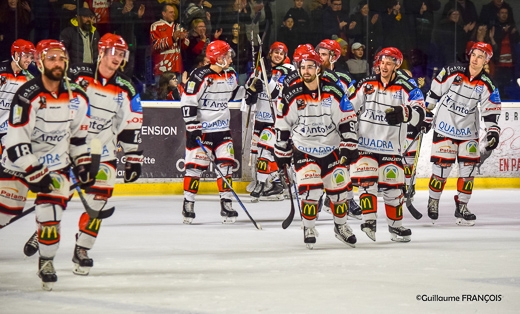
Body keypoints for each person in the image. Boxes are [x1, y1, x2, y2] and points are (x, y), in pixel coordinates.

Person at [23, 34, 144, 276]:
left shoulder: (127, 87)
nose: (117, 58)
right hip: (72, 150)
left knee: (98, 203)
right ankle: (43, 231)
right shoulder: (77, 74)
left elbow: (132, 123)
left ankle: (82, 249)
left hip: (103, 153)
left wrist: (132, 158)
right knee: (58, 198)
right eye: (114, 53)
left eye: (122, 54)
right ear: (101, 53)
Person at [0, 39, 94, 290]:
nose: (57, 62)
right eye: (51, 58)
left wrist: (84, 165)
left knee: (50, 216)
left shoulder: (78, 97)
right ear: (40, 62)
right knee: (5, 212)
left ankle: (46, 261)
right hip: (18, 164)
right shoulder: (27, 94)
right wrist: (34, 170)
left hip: (55, 166)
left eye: (61, 58)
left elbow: (78, 138)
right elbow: (16, 142)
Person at [274, 45, 358, 249]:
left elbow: (347, 118)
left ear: (319, 68)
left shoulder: (334, 89)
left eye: (311, 67)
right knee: (310, 192)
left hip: (331, 148)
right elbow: (283, 124)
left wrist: (349, 143)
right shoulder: (290, 91)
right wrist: (281, 151)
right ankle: (309, 227)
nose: (306, 71)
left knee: (339, 193)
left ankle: (341, 226)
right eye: (303, 67)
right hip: (305, 148)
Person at [349, 47, 426, 243]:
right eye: (382, 62)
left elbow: (421, 110)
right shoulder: (365, 84)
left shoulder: (406, 87)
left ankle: (395, 227)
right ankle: (368, 221)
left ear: (397, 65)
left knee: (393, 189)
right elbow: (348, 108)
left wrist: (406, 113)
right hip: (365, 145)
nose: (384, 66)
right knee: (367, 183)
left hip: (391, 146)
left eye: (389, 63)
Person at [181, 40, 260, 224]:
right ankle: (188, 203)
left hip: (222, 130)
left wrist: (248, 91)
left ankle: (226, 203)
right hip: (202, 131)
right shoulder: (199, 76)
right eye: (227, 55)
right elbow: (188, 101)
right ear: (218, 57)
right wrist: (192, 127)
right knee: (195, 168)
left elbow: (232, 93)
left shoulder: (230, 75)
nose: (231, 58)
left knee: (225, 167)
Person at [424, 42, 501, 226]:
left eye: (480, 57)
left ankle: (462, 206)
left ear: (486, 61)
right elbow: (435, 91)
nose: (475, 59)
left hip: (468, 132)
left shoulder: (487, 84)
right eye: (474, 55)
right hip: (444, 126)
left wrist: (493, 131)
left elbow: (491, 111)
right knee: (441, 169)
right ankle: (433, 200)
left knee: (468, 172)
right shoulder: (453, 71)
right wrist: (427, 113)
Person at [315, 38, 362, 220]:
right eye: (319, 53)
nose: (319, 57)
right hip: (316, 129)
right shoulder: (310, 75)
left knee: (343, 163)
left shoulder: (345, 81)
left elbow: (354, 105)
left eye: (324, 54)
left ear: (334, 57)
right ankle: (318, 198)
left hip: (337, 130)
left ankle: (347, 199)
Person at [248, 42, 293, 202]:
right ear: (270, 53)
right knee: (261, 154)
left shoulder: (289, 70)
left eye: (281, 53)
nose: (278, 56)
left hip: (277, 118)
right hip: (260, 117)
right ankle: (276, 182)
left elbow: (276, 92)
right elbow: (249, 89)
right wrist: (251, 92)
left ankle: (264, 183)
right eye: (276, 52)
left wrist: (267, 77)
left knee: (265, 152)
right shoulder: (259, 69)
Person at [0, 39, 35, 151]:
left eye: (31, 57)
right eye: (26, 56)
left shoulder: (29, 78)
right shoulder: (1, 72)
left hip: (8, 128)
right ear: (15, 54)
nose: (29, 60)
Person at [150, 4, 189, 79]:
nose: (173, 14)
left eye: (174, 12)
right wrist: (173, 38)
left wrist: (183, 39)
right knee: (162, 90)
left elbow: (186, 46)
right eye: (171, 12)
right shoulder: (156, 26)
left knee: (177, 90)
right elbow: (155, 45)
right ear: (164, 13)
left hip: (177, 68)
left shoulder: (178, 26)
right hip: (162, 68)